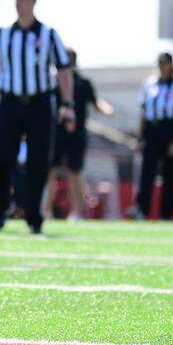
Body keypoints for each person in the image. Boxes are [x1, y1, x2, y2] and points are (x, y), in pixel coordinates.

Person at [0, 0, 75, 234]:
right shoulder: (3, 35)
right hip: (9, 101)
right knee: (1, 157)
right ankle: (0, 208)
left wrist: (67, 103)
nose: (18, 3)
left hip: (39, 102)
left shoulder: (49, 34)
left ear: (32, 2)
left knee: (38, 161)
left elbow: (63, 70)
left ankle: (34, 215)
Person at [43, 49, 115, 221]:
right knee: (50, 171)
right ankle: (46, 211)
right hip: (56, 134)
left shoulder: (83, 83)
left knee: (75, 172)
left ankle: (77, 212)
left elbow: (96, 101)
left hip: (77, 135)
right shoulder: (53, 82)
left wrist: (107, 109)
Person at [132, 52, 173, 221]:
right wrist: (139, 137)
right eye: (160, 63)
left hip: (170, 129)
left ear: (172, 65)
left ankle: (166, 214)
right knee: (147, 172)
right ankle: (142, 210)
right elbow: (143, 113)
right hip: (151, 130)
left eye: (166, 64)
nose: (163, 67)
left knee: (169, 174)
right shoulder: (149, 84)